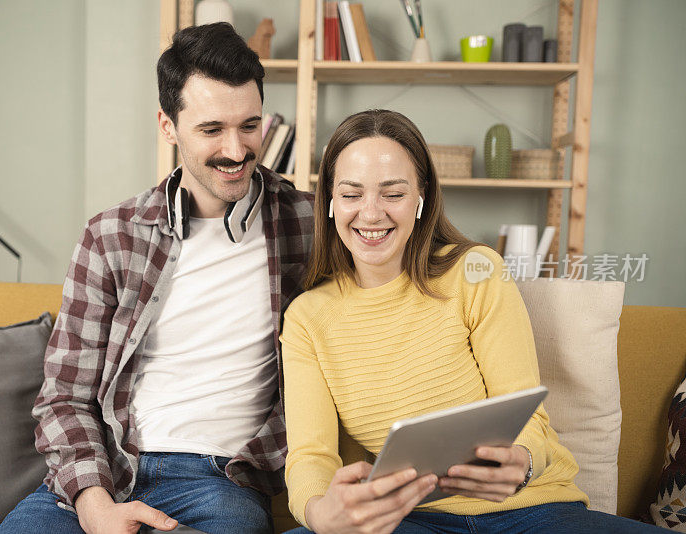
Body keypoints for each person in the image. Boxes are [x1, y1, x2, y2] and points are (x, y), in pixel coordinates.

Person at [280, 109, 666, 533]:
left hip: (533, 511)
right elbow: (311, 456)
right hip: (411, 520)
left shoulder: (476, 272)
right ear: (330, 202)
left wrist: (521, 463)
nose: (371, 214)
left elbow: (528, 419)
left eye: (393, 194)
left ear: (421, 198)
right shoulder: (306, 318)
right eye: (352, 194)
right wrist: (320, 514)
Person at [0, 23, 313, 534]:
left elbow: (406, 242)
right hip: (105, 472)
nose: (237, 150)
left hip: (218, 481)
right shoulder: (111, 236)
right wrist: (94, 503)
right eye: (212, 130)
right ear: (168, 125)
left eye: (250, 126)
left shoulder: (306, 223)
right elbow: (64, 396)